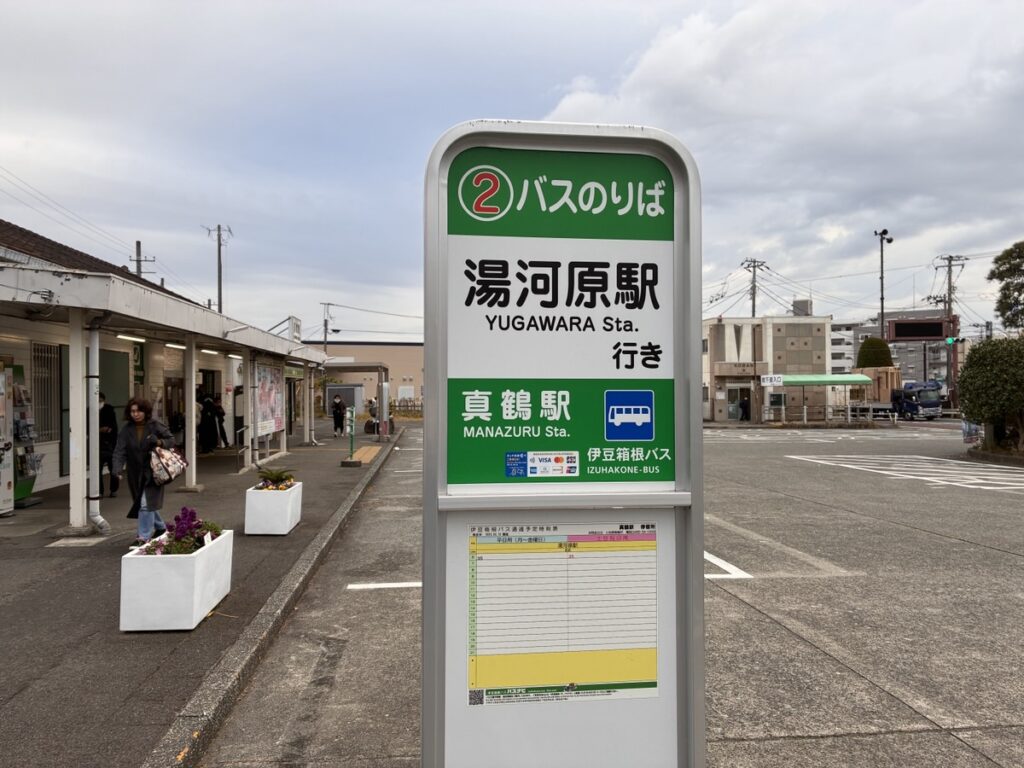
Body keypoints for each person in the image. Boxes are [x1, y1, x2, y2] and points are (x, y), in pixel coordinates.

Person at [112, 397, 174, 544]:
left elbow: (171, 440)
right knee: (144, 502)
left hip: (154, 471)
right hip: (135, 474)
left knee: (145, 503)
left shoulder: (155, 425)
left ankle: (143, 538)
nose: (136, 414)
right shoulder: (126, 430)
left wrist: (159, 442)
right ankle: (160, 527)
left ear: (146, 412)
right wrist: (117, 469)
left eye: (139, 410)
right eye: (132, 411)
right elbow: (119, 451)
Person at [98, 392, 119, 498]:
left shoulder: (109, 410)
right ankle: (99, 491)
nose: (98, 402)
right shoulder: (90, 411)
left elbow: (113, 427)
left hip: (111, 444)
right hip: (97, 446)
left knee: (113, 469)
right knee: (97, 470)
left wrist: (105, 430)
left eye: (100, 400)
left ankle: (114, 490)